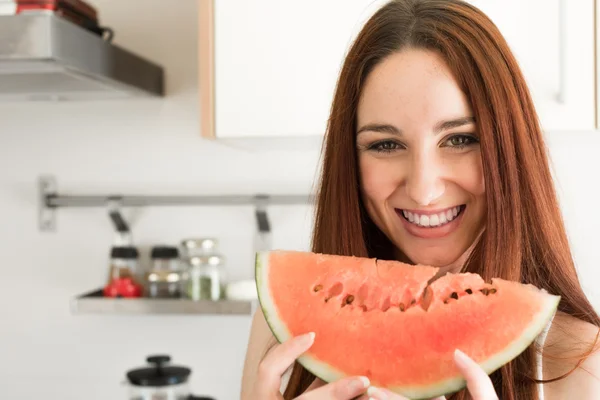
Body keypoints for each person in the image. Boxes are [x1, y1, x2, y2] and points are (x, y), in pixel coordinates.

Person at [240, 0, 600, 399]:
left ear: (511, 150)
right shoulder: (275, 335)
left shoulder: (583, 364)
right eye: (386, 144)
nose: (423, 190)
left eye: (461, 139)